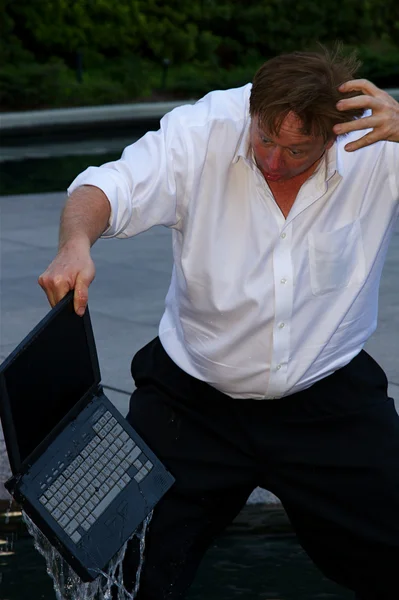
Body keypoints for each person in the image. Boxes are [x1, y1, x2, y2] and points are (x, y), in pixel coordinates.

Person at [39, 46, 399, 599]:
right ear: (251, 112)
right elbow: (104, 188)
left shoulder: (376, 145)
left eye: (297, 149)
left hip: (328, 398)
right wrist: (74, 244)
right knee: (122, 571)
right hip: (192, 401)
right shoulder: (204, 128)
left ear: (331, 137)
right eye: (265, 140)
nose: (274, 161)